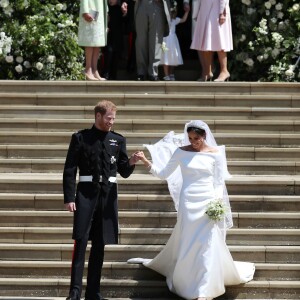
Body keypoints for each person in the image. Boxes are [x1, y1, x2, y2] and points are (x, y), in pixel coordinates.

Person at [130, 120, 255, 300]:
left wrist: (217, 204)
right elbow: (164, 174)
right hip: (188, 202)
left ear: (204, 136)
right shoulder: (181, 152)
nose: (193, 141)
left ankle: (204, 289)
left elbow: (219, 181)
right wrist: (145, 161)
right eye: (190, 138)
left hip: (208, 202)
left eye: (196, 138)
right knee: (189, 242)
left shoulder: (216, 153)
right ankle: (188, 283)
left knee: (207, 244)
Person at [63, 100, 139, 300]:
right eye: (108, 118)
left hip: (108, 197)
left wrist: (131, 162)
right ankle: (75, 292)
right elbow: (70, 169)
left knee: (100, 244)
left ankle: (93, 292)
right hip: (85, 195)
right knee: (80, 243)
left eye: (113, 118)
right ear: (98, 116)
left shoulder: (118, 140)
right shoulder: (80, 138)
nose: (111, 122)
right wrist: (69, 197)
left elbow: (123, 171)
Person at [134, 0, 190, 81]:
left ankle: (153, 72)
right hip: (142, 3)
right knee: (141, 40)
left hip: (158, 4)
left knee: (156, 40)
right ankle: (141, 72)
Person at [190, 0, 232, 82]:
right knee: (205, 42)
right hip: (204, 9)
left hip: (217, 10)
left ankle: (224, 71)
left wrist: (222, 12)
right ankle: (207, 71)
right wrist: (196, 12)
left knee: (220, 41)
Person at [161, 3, 190, 81]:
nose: (173, 13)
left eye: (174, 12)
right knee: (165, 57)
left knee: (173, 57)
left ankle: (171, 74)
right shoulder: (163, 20)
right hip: (164, 40)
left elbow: (183, 20)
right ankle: (166, 75)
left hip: (173, 41)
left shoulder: (175, 20)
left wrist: (187, 12)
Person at [102, 0, 127, 80]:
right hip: (108, 31)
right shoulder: (105, 5)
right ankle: (106, 73)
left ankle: (113, 75)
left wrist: (124, 12)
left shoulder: (121, 6)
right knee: (108, 51)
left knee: (116, 52)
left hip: (118, 31)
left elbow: (125, 19)